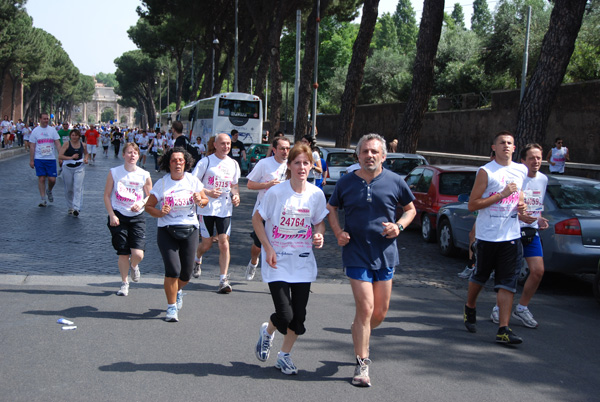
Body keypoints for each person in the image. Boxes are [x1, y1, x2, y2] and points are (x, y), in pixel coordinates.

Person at [326, 133, 416, 387]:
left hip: (385, 253)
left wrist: (398, 226)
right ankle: (362, 364)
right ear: (358, 155)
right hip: (355, 252)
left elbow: (410, 210)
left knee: (379, 312)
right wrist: (338, 232)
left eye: (374, 152)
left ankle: (359, 331)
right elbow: (331, 208)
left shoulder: (396, 182)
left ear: (384, 156)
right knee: (365, 309)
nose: (369, 156)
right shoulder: (346, 182)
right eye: (365, 152)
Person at [253, 142, 328, 375]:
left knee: (299, 318)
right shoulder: (276, 192)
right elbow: (257, 220)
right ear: (290, 165)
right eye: (297, 163)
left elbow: (320, 222)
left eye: (306, 163)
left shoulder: (316, 194)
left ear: (311, 166)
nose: (302, 167)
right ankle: (268, 331)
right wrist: (268, 248)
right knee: (285, 315)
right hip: (278, 261)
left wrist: (319, 235)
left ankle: (284, 356)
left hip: (303, 262)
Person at [463, 131, 528, 345]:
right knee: (480, 277)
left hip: (511, 235)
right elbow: (473, 204)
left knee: (506, 284)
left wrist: (522, 205)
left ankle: (503, 329)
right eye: (502, 143)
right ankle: (470, 306)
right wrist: (500, 194)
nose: (506, 146)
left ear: (514, 148)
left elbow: (520, 195)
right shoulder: (486, 171)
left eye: (510, 143)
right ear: (494, 147)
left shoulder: (521, 170)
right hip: (488, 235)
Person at [145, 147, 208, 322]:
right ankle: (171, 307)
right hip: (167, 230)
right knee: (173, 270)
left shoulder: (193, 181)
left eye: (181, 160)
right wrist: (160, 212)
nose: (178, 163)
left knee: (186, 275)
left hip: (190, 230)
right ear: (169, 163)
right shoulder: (162, 183)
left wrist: (200, 200)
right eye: (174, 160)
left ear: (186, 163)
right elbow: (148, 206)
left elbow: (204, 200)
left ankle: (177, 290)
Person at [490, 143, 549, 328]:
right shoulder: (515, 177)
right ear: (522, 160)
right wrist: (519, 214)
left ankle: (522, 308)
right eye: (531, 158)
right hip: (511, 229)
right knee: (510, 273)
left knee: (538, 271)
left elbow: (535, 205)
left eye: (538, 158)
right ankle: (499, 308)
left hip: (531, 231)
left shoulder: (543, 179)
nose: (536, 161)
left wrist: (538, 219)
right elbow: (506, 204)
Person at [191, 133, 241, 293]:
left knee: (224, 243)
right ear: (215, 145)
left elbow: (234, 185)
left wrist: (236, 195)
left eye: (228, 144)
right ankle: (197, 258)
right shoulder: (206, 162)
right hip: (206, 209)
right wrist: (208, 192)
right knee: (206, 244)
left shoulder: (233, 164)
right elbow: (193, 183)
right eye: (223, 144)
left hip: (225, 210)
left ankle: (223, 280)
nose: (226, 146)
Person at [103, 142, 152, 297]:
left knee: (138, 254)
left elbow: (151, 196)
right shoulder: (114, 172)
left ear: (138, 155)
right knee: (123, 252)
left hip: (137, 217)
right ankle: (124, 283)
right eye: (129, 152)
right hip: (119, 215)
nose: (132, 156)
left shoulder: (144, 174)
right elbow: (106, 195)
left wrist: (141, 202)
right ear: (123, 155)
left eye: (135, 153)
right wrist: (112, 214)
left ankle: (134, 265)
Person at [244, 136, 291, 281]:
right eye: (282, 148)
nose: (285, 151)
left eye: (288, 148)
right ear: (274, 150)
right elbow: (250, 184)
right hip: (263, 212)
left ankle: (278, 277)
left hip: (284, 213)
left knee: (281, 246)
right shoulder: (264, 164)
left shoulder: (292, 164)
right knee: (258, 246)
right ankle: (253, 262)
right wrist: (267, 185)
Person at [29, 113, 61, 207]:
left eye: (47, 119)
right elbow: (32, 146)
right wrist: (31, 160)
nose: (46, 120)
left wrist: (60, 156)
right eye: (44, 119)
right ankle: (43, 199)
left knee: (52, 179)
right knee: (42, 178)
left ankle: (49, 190)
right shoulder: (35, 131)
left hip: (50, 158)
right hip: (39, 158)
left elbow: (58, 144)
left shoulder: (52, 130)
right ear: (40, 119)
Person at [58, 129, 88, 216]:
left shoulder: (83, 145)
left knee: (78, 188)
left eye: (76, 135)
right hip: (67, 167)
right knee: (69, 188)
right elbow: (60, 155)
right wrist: (71, 157)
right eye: (72, 135)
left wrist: (86, 159)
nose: (74, 137)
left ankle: (76, 208)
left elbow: (86, 153)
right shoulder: (67, 144)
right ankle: (70, 207)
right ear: (70, 136)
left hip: (79, 167)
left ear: (79, 136)